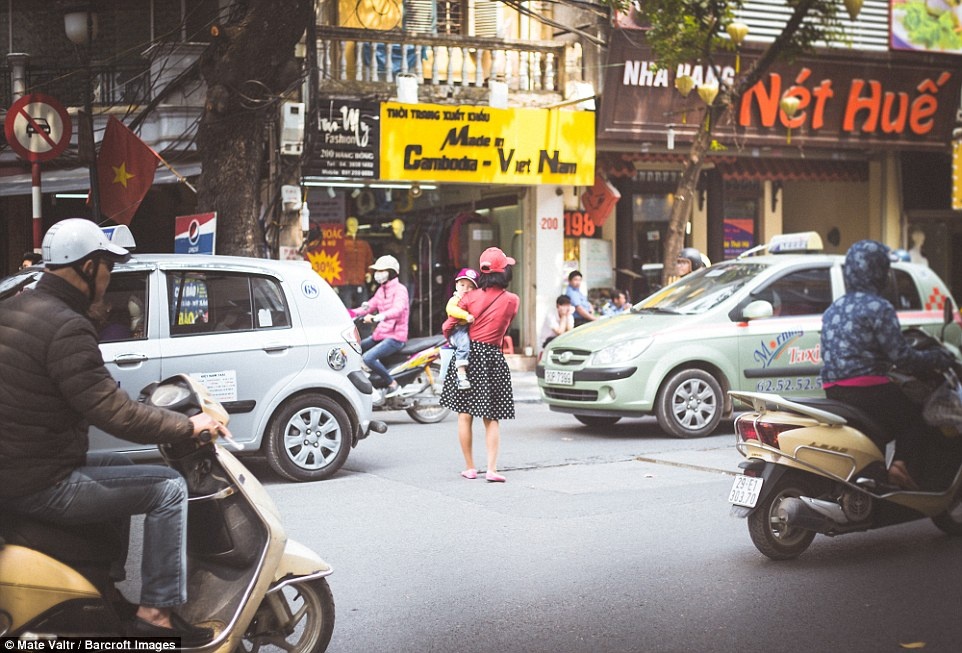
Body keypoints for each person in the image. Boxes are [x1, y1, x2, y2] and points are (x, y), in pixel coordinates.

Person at [0, 218, 228, 646]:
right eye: (108, 267)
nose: (109, 279)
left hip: (21, 467)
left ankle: (104, 589)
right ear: (88, 268)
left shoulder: (14, 307)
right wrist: (187, 425)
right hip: (39, 481)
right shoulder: (67, 325)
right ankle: (156, 614)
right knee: (167, 488)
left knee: (124, 473)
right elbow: (112, 413)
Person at [820, 240, 954, 490]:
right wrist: (938, 358)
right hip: (867, 388)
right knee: (915, 419)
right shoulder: (878, 307)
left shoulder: (833, 308)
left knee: (880, 426)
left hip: (833, 389)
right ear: (877, 271)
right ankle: (900, 469)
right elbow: (902, 357)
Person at [440, 247, 520, 483]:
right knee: (491, 417)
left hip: (467, 358)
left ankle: (470, 467)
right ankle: (492, 469)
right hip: (493, 357)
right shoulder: (512, 300)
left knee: (464, 415)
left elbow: (448, 326)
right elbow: (505, 325)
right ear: (503, 272)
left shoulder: (468, 298)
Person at [353, 254, 410, 396]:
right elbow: (369, 306)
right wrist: (349, 313)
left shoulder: (400, 290)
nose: (377, 274)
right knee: (353, 348)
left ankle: (393, 384)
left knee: (368, 358)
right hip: (381, 334)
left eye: (381, 270)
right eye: (377, 271)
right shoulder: (381, 290)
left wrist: (376, 318)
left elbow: (398, 309)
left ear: (391, 272)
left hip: (396, 337)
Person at [445, 267, 479, 390]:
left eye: (470, 287)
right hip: (457, 330)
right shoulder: (455, 299)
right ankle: (461, 374)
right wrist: (466, 315)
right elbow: (451, 309)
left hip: (468, 328)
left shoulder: (474, 301)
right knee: (464, 344)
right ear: (456, 286)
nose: (465, 289)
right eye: (462, 285)